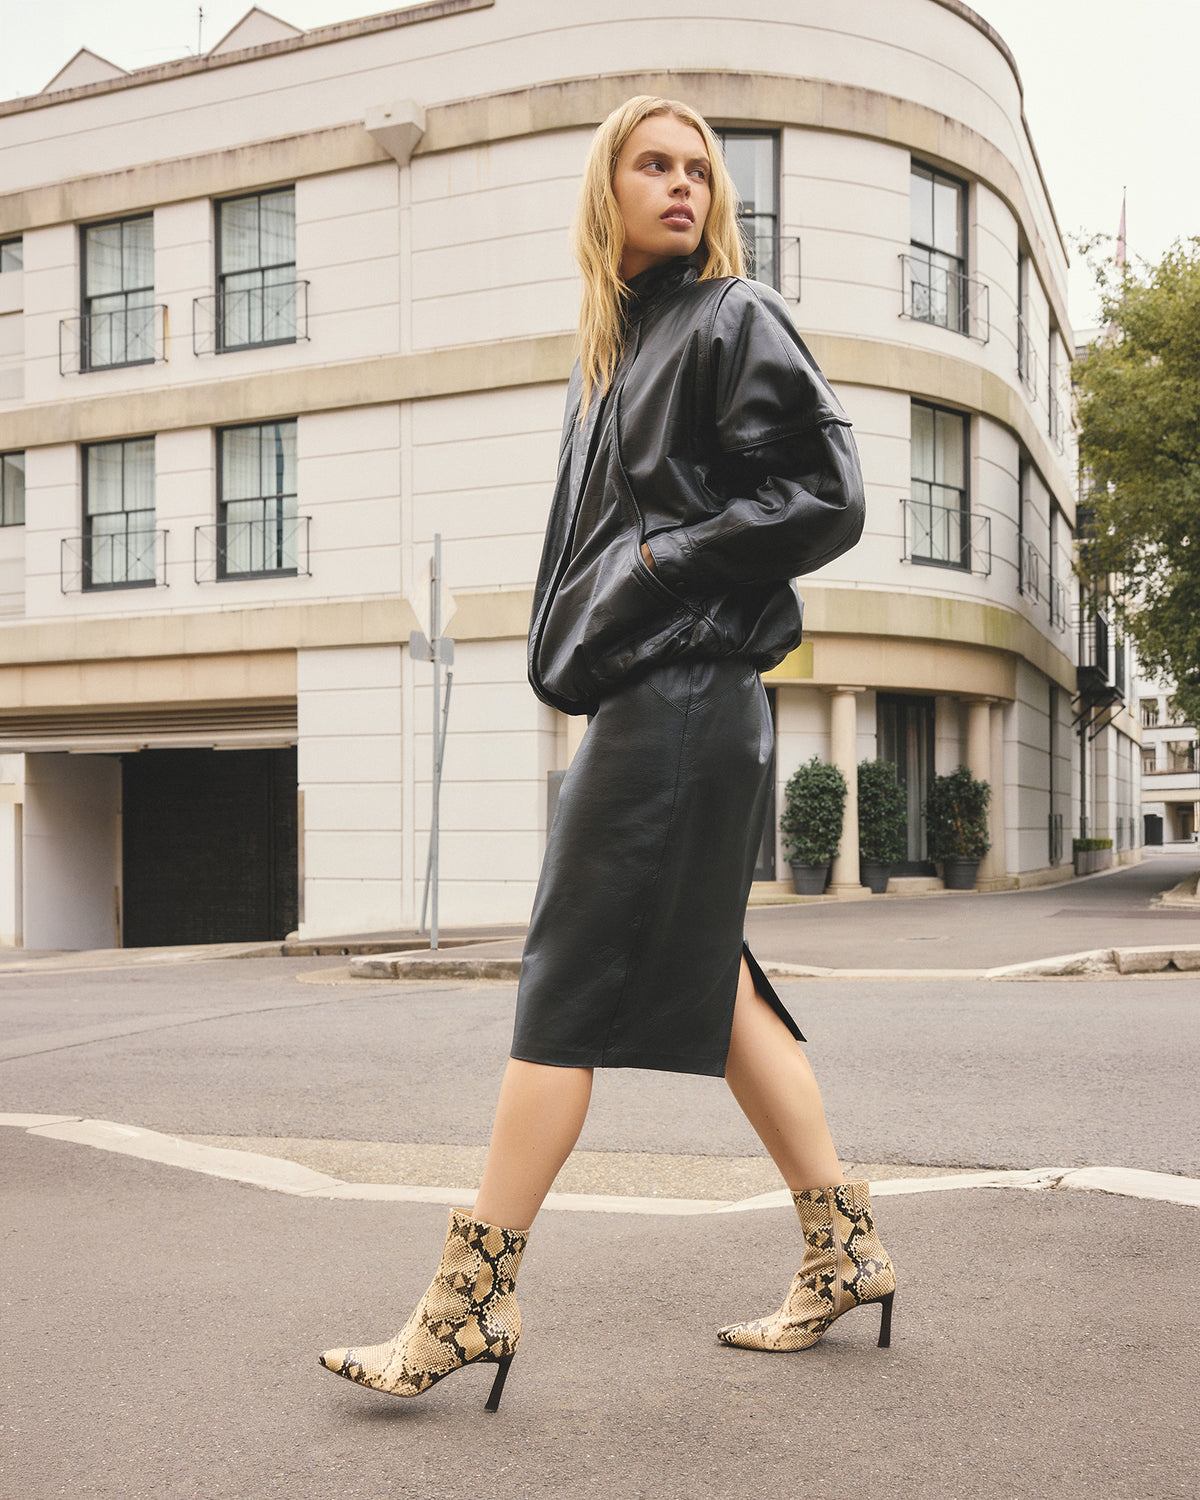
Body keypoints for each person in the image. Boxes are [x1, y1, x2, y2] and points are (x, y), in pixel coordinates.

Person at [319, 95, 895, 1411]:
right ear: (609, 189)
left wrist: (658, 564)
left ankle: (469, 1303)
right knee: (719, 988)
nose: (684, 184)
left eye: (700, 168)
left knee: (565, 984)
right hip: (662, 694)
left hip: (683, 690)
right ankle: (845, 1249)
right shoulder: (617, 352)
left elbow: (827, 493)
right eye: (655, 164)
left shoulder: (732, 316)